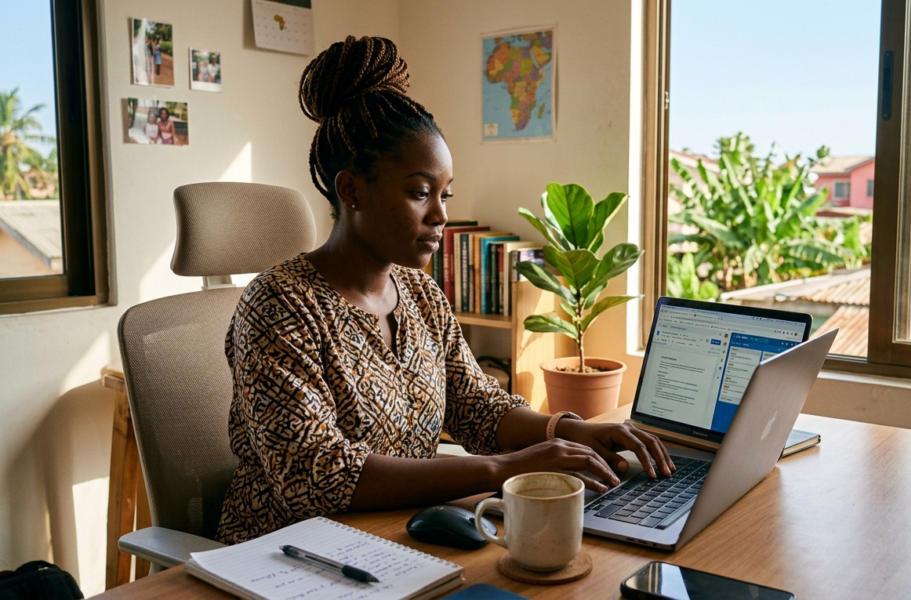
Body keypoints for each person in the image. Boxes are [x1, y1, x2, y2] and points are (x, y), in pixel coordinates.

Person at [215, 35, 674, 545]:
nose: (441, 217)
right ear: (351, 190)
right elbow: (317, 474)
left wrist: (568, 431)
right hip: (290, 556)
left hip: (399, 538)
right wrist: (503, 468)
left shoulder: (420, 293)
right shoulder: (279, 305)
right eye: (419, 193)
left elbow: (477, 406)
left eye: (445, 194)